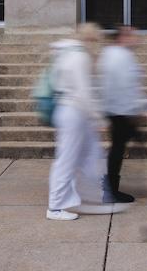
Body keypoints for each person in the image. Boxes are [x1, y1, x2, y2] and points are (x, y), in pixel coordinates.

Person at [47, 24, 119, 221]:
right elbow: (83, 92)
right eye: (96, 41)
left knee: (88, 155)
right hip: (74, 111)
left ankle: (91, 196)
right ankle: (55, 207)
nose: (97, 46)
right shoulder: (79, 57)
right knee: (67, 159)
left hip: (71, 110)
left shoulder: (66, 53)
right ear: (90, 39)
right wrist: (98, 116)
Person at [98, 25, 147, 203]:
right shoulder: (121, 57)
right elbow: (128, 86)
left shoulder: (111, 54)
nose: (136, 38)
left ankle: (110, 187)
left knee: (118, 148)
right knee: (117, 150)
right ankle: (111, 189)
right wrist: (140, 109)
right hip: (121, 111)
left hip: (117, 110)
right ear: (121, 37)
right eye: (131, 35)